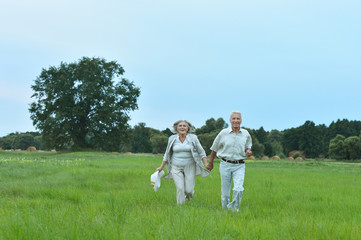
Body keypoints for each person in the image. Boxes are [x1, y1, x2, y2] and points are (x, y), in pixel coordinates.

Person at [207, 111, 252, 212]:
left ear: (241, 120)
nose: (236, 121)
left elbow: (248, 147)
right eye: (234, 118)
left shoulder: (246, 134)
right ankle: (224, 211)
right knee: (225, 193)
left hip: (239, 165)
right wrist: (211, 162)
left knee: (238, 189)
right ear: (230, 120)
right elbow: (214, 148)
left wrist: (248, 151)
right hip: (225, 164)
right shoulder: (223, 133)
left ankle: (234, 210)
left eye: (238, 118)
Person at [156, 120, 210, 204]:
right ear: (176, 128)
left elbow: (201, 151)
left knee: (189, 190)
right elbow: (167, 154)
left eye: (184, 126)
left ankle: (188, 198)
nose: (182, 127)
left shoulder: (193, 138)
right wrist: (161, 167)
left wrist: (206, 163)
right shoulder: (172, 139)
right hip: (175, 166)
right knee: (180, 188)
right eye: (180, 126)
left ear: (188, 128)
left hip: (190, 166)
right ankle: (180, 207)